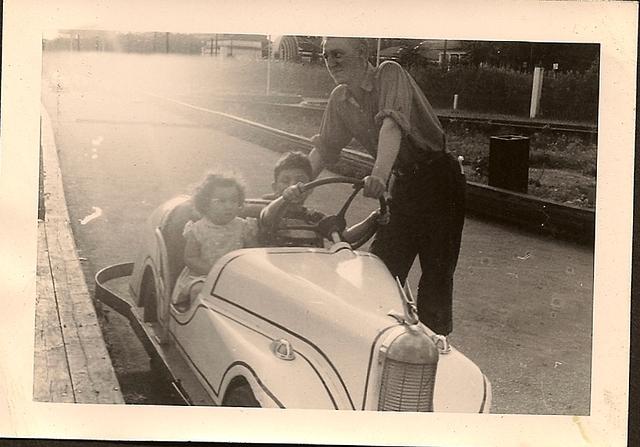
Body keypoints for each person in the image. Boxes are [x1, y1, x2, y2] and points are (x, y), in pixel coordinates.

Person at [289, 37, 466, 339]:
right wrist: (296, 187)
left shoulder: (389, 73)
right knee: (382, 266)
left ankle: (435, 348)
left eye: (338, 54)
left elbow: (391, 125)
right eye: (326, 55)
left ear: (363, 54)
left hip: (439, 179)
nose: (331, 62)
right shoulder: (340, 99)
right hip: (405, 182)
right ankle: (379, 340)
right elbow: (326, 148)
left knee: (436, 273)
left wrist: (379, 175)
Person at [264, 151, 387, 247]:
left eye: (300, 181)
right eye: (285, 181)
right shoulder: (270, 211)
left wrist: (371, 219)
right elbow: (267, 215)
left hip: (312, 270)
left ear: (310, 188)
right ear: (275, 187)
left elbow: (345, 237)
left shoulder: (315, 218)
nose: (293, 185)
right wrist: (285, 197)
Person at [172, 172, 258, 308]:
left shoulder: (243, 226)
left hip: (235, 276)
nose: (229, 206)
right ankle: (199, 325)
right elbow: (190, 258)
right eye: (221, 201)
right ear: (205, 204)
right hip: (204, 275)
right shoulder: (198, 229)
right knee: (199, 290)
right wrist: (214, 271)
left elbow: (252, 254)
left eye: (234, 201)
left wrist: (250, 240)